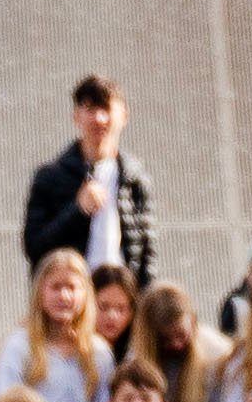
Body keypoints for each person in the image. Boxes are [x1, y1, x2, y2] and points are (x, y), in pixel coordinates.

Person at [21, 73, 155, 300]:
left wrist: (144, 306)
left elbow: (146, 255)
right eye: (91, 109)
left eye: (107, 109)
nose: (100, 119)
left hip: (121, 305)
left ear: (124, 116)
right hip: (71, 301)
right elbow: (35, 247)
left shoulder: (135, 178)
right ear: (76, 117)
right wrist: (77, 210)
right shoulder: (51, 177)